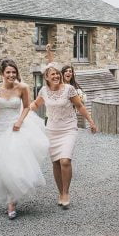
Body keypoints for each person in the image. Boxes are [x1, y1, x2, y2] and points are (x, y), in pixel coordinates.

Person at [0, 59, 48, 219]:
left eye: (13, 72)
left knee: (13, 163)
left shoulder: (23, 87)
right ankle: (9, 193)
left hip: (15, 127)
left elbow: (27, 106)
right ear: (2, 73)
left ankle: (12, 200)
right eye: (8, 72)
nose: (11, 75)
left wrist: (19, 121)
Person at [31, 66, 97, 209]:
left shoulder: (68, 89)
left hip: (68, 128)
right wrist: (21, 113)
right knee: (56, 162)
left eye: (57, 74)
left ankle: (66, 193)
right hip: (52, 130)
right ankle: (60, 192)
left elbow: (79, 106)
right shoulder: (43, 91)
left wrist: (91, 121)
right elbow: (35, 104)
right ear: (46, 77)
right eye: (52, 74)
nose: (56, 76)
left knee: (65, 160)